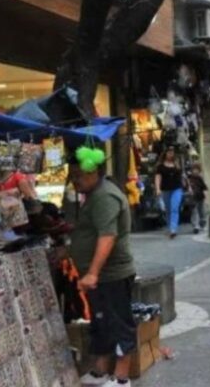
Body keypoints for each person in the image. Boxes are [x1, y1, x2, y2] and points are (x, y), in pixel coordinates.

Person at [69, 159, 137, 387]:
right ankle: (100, 371)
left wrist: (93, 273)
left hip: (111, 275)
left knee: (118, 324)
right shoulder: (95, 194)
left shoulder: (104, 197)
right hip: (103, 275)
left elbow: (108, 236)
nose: (74, 180)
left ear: (95, 173)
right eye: (73, 175)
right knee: (102, 324)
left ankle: (121, 378)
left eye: (79, 175)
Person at [155, 146, 184, 239]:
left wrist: (188, 186)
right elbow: (158, 178)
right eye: (169, 152)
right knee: (168, 209)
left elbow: (182, 176)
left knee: (174, 208)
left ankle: (173, 229)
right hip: (165, 190)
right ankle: (170, 227)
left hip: (177, 189)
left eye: (172, 152)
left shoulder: (177, 164)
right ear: (165, 153)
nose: (171, 154)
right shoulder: (160, 166)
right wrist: (157, 189)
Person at [188, 164, 208, 234]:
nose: (195, 171)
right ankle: (195, 226)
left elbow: (204, 188)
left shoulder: (200, 178)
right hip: (193, 198)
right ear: (192, 170)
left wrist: (206, 199)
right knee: (194, 211)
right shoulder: (189, 178)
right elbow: (186, 186)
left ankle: (202, 225)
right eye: (194, 170)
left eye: (197, 170)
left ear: (199, 171)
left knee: (202, 212)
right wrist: (189, 189)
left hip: (200, 197)